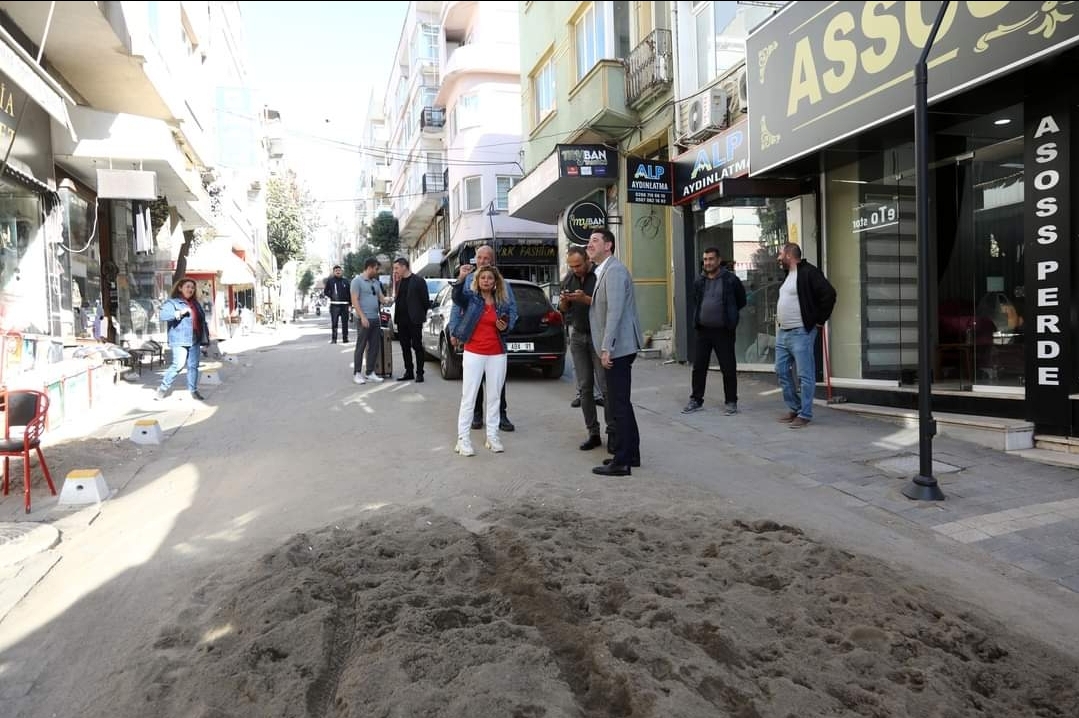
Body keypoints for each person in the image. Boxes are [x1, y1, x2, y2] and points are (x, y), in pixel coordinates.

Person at [586, 229, 643, 476]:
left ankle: (622, 462)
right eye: (589, 241)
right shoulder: (605, 270)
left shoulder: (615, 270)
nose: (590, 245)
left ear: (608, 246)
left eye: (595, 241)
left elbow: (615, 312)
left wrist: (606, 347)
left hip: (618, 347)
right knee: (621, 402)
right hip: (617, 346)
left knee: (618, 403)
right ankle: (630, 453)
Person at [450, 265, 518, 456]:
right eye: (483, 278)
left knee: (495, 397)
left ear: (496, 281)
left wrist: (505, 326)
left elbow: (512, 316)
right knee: (469, 397)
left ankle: (493, 436)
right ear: (477, 281)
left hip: (497, 352)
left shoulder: (502, 301)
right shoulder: (471, 298)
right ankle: (462, 439)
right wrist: (461, 278)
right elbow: (457, 298)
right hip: (474, 352)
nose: (486, 281)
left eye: (490, 278)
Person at [774, 242, 837, 429]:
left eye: (780, 254)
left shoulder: (809, 272)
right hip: (783, 333)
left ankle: (805, 414)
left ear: (788, 255)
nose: (778, 258)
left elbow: (829, 294)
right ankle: (795, 407)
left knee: (805, 375)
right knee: (781, 371)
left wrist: (819, 320)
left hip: (801, 332)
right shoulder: (788, 275)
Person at [683, 247, 747, 416]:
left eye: (711, 259)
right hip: (703, 331)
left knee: (728, 367)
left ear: (719, 260)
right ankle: (696, 400)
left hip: (723, 331)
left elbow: (741, 300)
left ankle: (731, 402)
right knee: (699, 367)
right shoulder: (699, 281)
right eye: (705, 259)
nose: (708, 263)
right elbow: (696, 300)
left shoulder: (730, 280)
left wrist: (730, 316)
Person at [558, 245, 610, 451]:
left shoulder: (598, 275)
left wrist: (585, 299)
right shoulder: (569, 278)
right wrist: (564, 302)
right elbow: (563, 310)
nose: (575, 269)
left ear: (587, 260)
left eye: (578, 265)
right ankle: (593, 433)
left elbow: (605, 304)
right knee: (584, 387)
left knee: (606, 387)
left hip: (598, 334)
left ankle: (612, 432)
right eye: (572, 266)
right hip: (577, 334)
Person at [155, 277, 209, 401]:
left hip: (195, 338)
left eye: (192, 287)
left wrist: (206, 340)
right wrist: (178, 313)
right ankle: (163, 388)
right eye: (188, 287)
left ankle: (193, 390)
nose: (191, 289)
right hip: (179, 339)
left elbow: (202, 322)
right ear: (180, 288)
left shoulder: (195, 304)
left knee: (193, 366)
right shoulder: (173, 303)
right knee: (178, 365)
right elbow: (163, 316)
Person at [351, 257, 391, 384]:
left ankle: (370, 372)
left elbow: (382, 299)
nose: (377, 271)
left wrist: (390, 299)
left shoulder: (376, 283)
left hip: (375, 319)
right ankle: (357, 373)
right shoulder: (357, 281)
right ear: (369, 267)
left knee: (374, 346)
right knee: (361, 346)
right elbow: (354, 300)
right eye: (376, 269)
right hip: (364, 319)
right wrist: (362, 316)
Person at [392, 257, 429, 382]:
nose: (395, 271)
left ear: (404, 267)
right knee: (404, 347)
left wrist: (419, 315)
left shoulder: (418, 281)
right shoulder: (399, 282)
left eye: (396, 268)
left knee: (417, 346)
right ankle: (409, 371)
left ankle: (420, 373)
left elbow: (425, 301)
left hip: (414, 320)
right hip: (401, 320)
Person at [323, 265, 351, 344]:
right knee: (334, 323)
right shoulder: (330, 281)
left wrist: (350, 304)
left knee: (345, 323)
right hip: (334, 305)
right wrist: (332, 295)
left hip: (344, 305)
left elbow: (349, 293)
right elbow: (326, 291)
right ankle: (334, 339)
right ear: (334, 272)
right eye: (336, 270)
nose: (338, 272)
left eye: (339, 270)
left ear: (341, 271)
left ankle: (345, 338)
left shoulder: (345, 281)